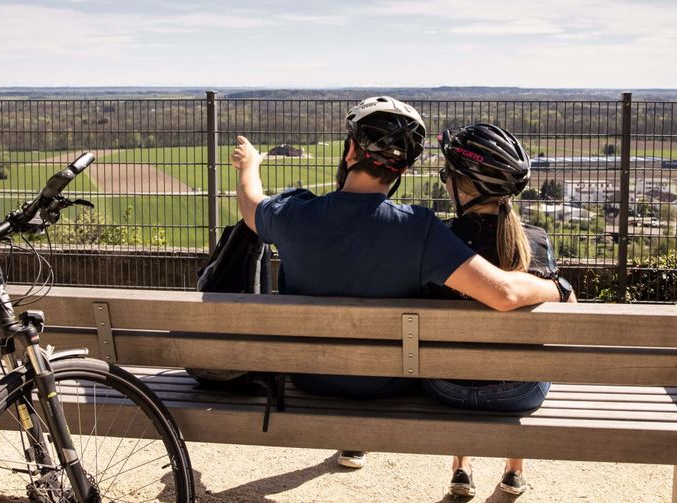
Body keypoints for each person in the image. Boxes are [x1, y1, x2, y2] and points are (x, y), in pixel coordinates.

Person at [230, 97, 574, 470]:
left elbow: (250, 204)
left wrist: (250, 165)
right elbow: (504, 293)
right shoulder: (418, 229)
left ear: (350, 151)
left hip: (309, 378)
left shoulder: (293, 215)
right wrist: (559, 288)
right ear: (403, 169)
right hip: (387, 383)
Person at [426, 123, 572, 498]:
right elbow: (570, 320)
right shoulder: (537, 242)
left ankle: (461, 466)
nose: (444, 182)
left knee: (455, 355)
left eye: (447, 175)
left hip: (445, 387)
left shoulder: (434, 242)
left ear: (463, 186)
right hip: (518, 394)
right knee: (528, 353)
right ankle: (514, 470)